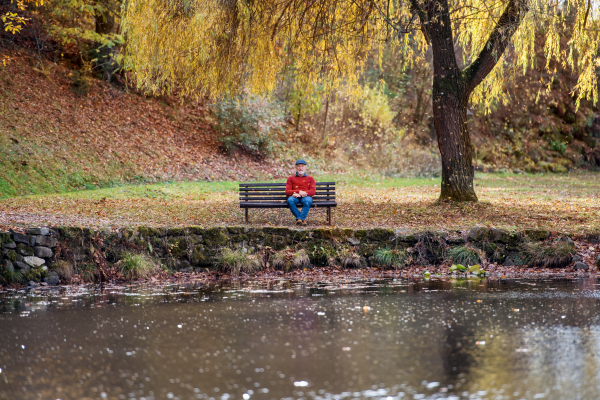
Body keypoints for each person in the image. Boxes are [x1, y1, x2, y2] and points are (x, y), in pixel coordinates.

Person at [286, 159, 316, 225]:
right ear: (296, 168)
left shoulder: (310, 178)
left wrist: (302, 194)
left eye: (302, 166)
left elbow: (313, 191)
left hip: (306, 196)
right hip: (295, 196)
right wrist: (299, 192)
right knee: (290, 200)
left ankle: (300, 219)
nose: (300, 168)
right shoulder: (290, 178)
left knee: (308, 201)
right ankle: (302, 219)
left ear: (305, 167)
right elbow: (287, 192)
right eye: (299, 166)